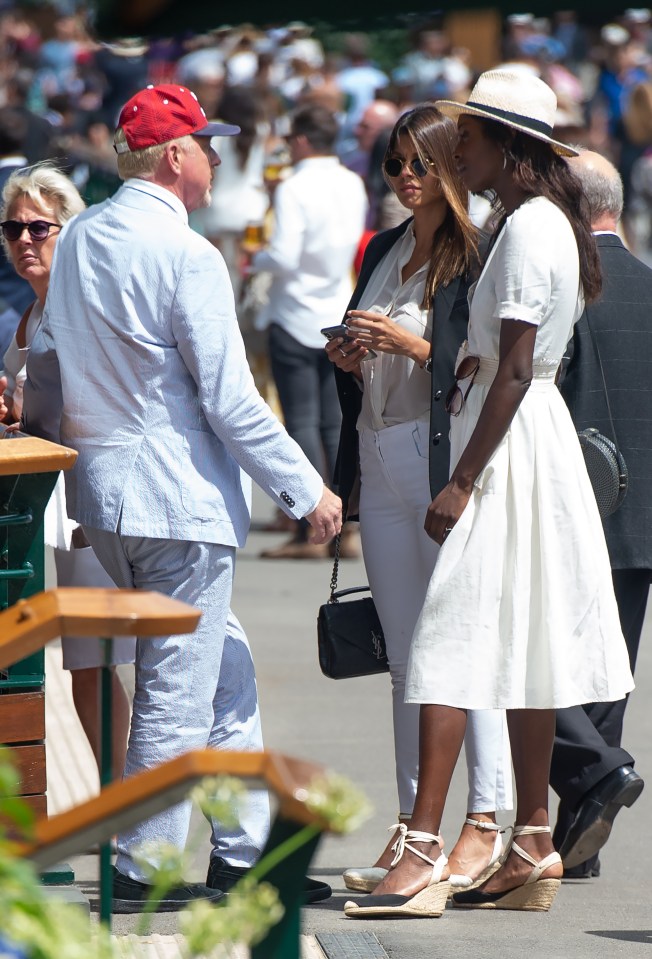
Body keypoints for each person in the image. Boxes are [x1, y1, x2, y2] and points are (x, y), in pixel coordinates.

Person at [21, 83, 341, 913]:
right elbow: (230, 398)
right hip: (176, 500)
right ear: (175, 156)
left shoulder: (84, 232)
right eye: (205, 144)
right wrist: (307, 489)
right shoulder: (186, 254)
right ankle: (143, 863)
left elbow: (50, 364)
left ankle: (240, 853)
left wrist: (54, 446)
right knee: (178, 684)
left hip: (112, 495)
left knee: (216, 670)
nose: (213, 156)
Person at [343, 70, 634, 920]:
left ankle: (428, 848)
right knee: (524, 646)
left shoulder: (528, 227)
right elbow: (505, 360)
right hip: (521, 439)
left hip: (505, 449)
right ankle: (532, 836)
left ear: (507, 144)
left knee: (446, 639)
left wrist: (461, 479)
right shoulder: (537, 222)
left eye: (466, 137)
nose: (455, 150)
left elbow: (514, 365)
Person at [326, 104, 513, 897]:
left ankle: (494, 815)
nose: (404, 178)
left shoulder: (475, 252)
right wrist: (347, 352)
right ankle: (415, 824)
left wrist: (413, 344)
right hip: (379, 446)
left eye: (417, 163)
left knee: (459, 645)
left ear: (447, 164)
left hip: (436, 455)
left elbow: (496, 363)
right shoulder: (386, 247)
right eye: (394, 164)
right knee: (406, 656)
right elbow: (366, 360)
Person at [0, 163, 135, 780]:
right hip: (57, 504)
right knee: (87, 661)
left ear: (69, 230)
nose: (24, 240)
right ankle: (118, 805)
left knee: (111, 659)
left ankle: (137, 817)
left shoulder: (83, 305)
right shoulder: (28, 316)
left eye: (39, 228)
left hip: (97, 498)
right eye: (11, 229)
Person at [550, 149, 649, 877]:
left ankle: (593, 777)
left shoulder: (569, 287)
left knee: (539, 663)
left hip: (577, 497)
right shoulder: (650, 284)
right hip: (643, 508)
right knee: (609, 669)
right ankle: (579, 829)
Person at [250, 103, 367, 560]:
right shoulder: (352, 182)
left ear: (300, 140)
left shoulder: (294, 186)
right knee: (335, 422)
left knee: (300, 421)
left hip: (295, 310)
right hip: (338, 306)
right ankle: (345, 527)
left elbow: (283, 254)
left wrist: (252, 260)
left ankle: (307, 530)